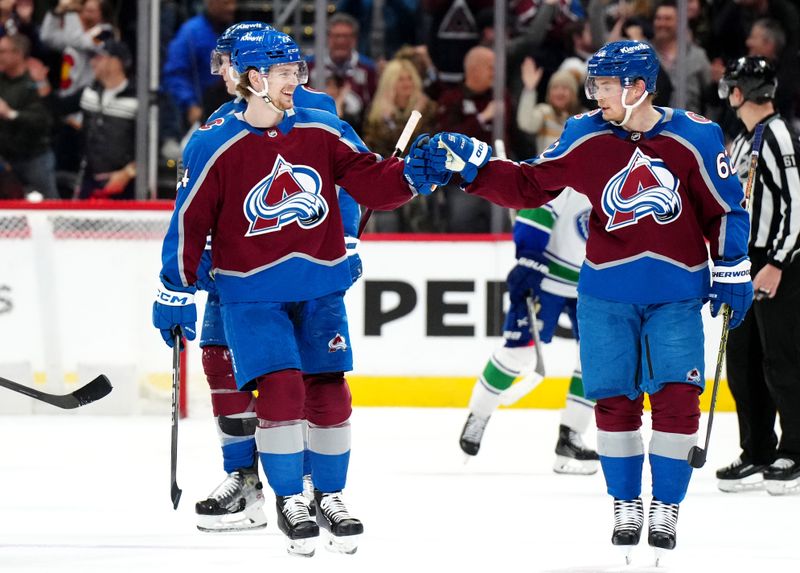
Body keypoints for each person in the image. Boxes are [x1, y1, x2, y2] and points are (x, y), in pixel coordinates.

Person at [425, 40, 753, 563]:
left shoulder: (696, 134)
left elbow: (727, 208)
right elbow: (531, 185)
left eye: (602, 85)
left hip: (675, 295)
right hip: (605, 293)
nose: (593, 93)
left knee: (675, 399)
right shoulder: (584, 135)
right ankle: (626, 504)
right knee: (614, 400)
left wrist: (732, 266)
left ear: (637, 87)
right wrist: (473, 168)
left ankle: (665, 505)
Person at [152, 28, 445, 556]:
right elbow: (188, 223)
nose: (297, 82)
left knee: (330, 391)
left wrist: (414, 177)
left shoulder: (323, 127)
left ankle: (328, 495)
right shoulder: (214, 141)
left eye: (296, 72)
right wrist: (175, 289)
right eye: (286, 73)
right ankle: (287, 498)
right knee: (282, 390)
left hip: (317, 287)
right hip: (250, 292)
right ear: (256, 77)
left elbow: (371, 182)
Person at [190, 21, 368, 534]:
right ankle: (244, 479)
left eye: (226, 61)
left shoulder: (316, 113)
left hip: (300, 267)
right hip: (239, 275)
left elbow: (351, 179)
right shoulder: (226, 121)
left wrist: (350, 237)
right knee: (222, 362)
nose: (221, 71)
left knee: (310, 377)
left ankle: (313, 486)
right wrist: (195, 258)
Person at [459, 188, 600, 476]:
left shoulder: (628, 168)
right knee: (518, 355)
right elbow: (538, 208)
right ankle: (479, 414)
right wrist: (530, 257)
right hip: (546, 278)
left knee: (597, 359)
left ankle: (570, 435)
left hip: (593, 283)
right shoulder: (571, 160)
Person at [715, 56, 800, 496]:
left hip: (777, 264)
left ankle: (796, 450)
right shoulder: (742, 141)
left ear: (741, 92)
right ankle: (758, 451)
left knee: (782, 363)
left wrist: (778, 263)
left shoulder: (779, 135)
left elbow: (797, 205)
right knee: (742, 364)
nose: (727, 94)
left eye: (731, 86)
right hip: (745, 264)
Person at [76, 39, 137, 199]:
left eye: (99, 57)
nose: (92, 62)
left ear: (116, 62)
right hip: (90, 181)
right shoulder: (89, 92)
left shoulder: (139, 98)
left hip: (127, 184)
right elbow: (57, 108)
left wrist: (127, 173)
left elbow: (153, 144)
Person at [0, 33, 57, 199]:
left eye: (3, 52)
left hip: (34, 157)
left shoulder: (36, 81)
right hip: (5, 157)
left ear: (18, 54)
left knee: (50, 208)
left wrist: (10, 114)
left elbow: (44, 120)